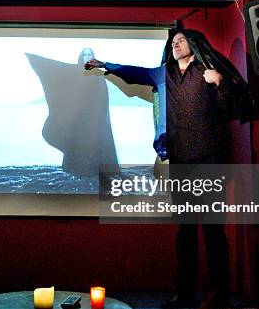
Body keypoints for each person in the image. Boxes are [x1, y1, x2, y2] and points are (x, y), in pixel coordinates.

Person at [86, 29, 235, 308]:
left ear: (193, 43)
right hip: (181, 160)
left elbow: (229, 108)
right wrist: (105, 64)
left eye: (181, 40)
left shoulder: (207, 70)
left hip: (210, 160)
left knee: (214, 230)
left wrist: (220, 82)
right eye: (173, 41)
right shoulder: (162, 74)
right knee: (185, 231)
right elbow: (134, 72)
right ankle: (185, 294)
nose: (176, 44)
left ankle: (221, 294)